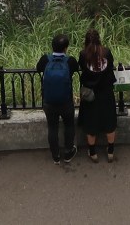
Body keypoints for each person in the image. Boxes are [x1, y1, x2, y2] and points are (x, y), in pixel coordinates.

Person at [35, 33, 79, 163]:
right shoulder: (70, 61)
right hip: (66, 101)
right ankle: (68, 152)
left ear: (52, 47)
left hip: (49, 102)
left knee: (52, 127)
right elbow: (76, 69)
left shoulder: (45, 60)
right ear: (66, 48)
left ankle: (55, 156)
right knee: (69, 126)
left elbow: (38, 69)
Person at [77, 28, 118, 163]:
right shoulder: (106, 52)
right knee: (109, 122)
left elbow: (83, 68)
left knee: (91, 123)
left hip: (90, 95)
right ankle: (110, 151)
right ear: (99, 39)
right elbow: (110, 66)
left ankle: (93, 153)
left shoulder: (83, 54)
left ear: (86, 40)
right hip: (106, 93)